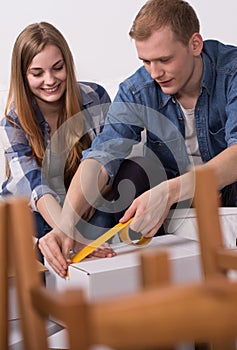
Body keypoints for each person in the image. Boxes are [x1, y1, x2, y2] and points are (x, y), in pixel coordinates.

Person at [39, 0, 237, 277]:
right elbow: (103, 154)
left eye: (165, 60)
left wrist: (169, 191)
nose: (155, 73)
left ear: (195, 44)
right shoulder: (137, 89)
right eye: (146, 61)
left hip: (226, 187)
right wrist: (66, 225)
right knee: (133, 167)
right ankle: (98, 272)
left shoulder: (232, 71)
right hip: (176, 193)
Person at [0, 21, 116, 263]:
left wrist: (81, 207)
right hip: (36, 209)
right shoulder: (13, 120)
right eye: (37, 73)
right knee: (47, 239)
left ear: (68, 65)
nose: (50, 80)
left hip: (84, 203)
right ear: (23, 76)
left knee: (108, 207)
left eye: (57, 68)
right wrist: (69, 230)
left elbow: (110, 160)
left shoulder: (95, 97)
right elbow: (36, 187)